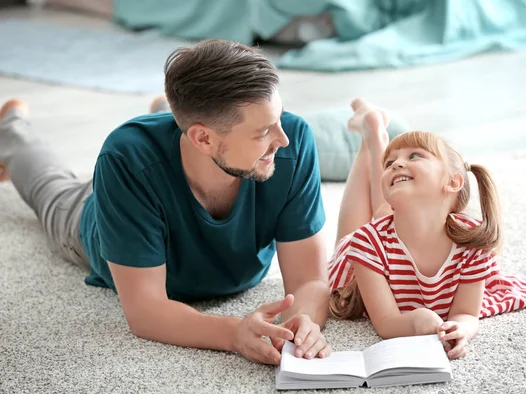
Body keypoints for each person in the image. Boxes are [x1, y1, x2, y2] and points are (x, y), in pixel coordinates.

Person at [0, 39, 333, 365]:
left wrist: (304, 322)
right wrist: (234, 333)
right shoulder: (125, 158)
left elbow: (310, 280)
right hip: (103, 216)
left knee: (198, 132)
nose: (283, 138)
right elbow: (146, 311)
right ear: (202, 138)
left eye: (280, 117)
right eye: (263, 132)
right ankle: (11, 127)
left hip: (186, 148)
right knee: (49, 186)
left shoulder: (292, 142)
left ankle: (167, 111)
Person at [327, 98, 526, 359]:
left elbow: (468, 314)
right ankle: (370, 139)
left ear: (453, 181)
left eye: (414, 155)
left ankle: (373, 133)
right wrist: (416, 321)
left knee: (386, 211)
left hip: (389, 234)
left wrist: (461, 328)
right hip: (357, 265)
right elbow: (386, 321)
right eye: (389, 163)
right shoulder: (366, 241)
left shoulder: (472, 240)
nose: (396, 164)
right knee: (362, 227)